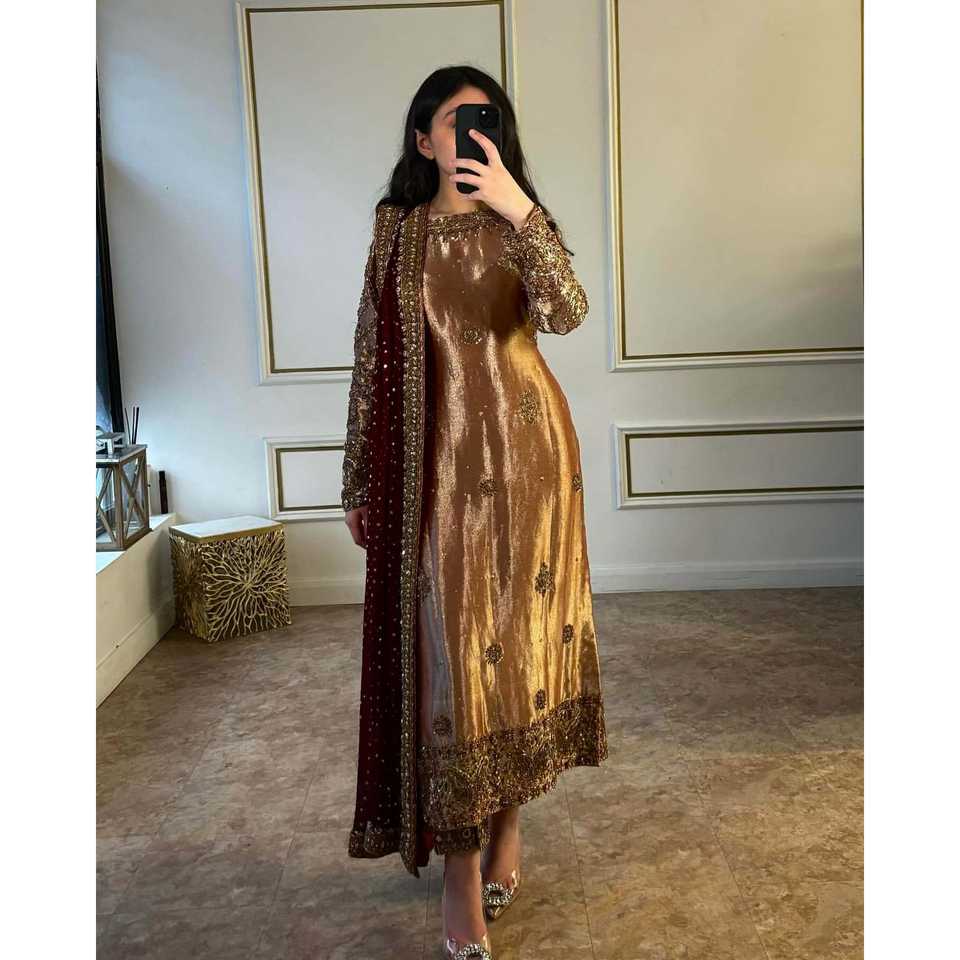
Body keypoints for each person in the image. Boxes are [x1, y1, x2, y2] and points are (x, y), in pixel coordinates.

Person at [341, 65, 608, 960]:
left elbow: (567, 314)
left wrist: (520, 209)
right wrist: (358, 478)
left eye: (482, 122)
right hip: (438, 478)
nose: (467, 137)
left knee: (518, 650)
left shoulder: (519, 222)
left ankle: (510, 826)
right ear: (423, 140)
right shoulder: (397, 231)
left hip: (532, 465)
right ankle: (460, 868)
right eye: (451, 123)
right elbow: (371, 355)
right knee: (451, 667)